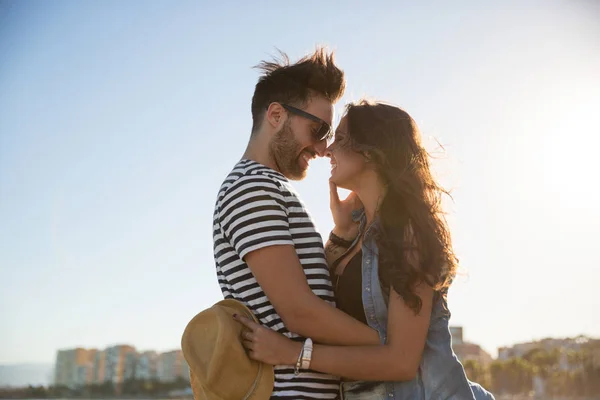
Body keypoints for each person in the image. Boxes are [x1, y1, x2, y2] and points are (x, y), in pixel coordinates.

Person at [234, 100, 496, 400]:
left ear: (370, 152)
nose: (328, 149)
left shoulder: (408, 234)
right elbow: (324, 301)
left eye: (341, 139)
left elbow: (401, 362)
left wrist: (294, 354)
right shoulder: (354, 234)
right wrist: (342, 233)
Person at [212, 49, 382, 399]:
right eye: (317, 129)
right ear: (276, 115)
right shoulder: (251, 188)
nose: (323, 148)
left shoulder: (268, 187)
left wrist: (339, 236)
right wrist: (387, 343)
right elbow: (299, 313)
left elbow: (307, 294)